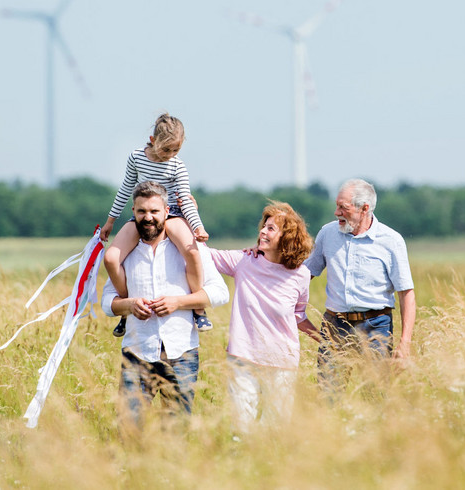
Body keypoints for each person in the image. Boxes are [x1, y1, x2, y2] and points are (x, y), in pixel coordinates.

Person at [100, 181, 229, 430]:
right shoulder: (126, 252)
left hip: (181, 353)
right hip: (136, 353)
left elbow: (219, 292)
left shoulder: (191, 247)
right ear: (134, 213)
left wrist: (178, 303)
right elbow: (107, 301)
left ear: (167, 211)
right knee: (129, 430)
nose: (148, 218)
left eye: (154, 211)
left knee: (176, 432)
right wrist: (129, 305)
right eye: (141, 212)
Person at [209, 201, 319, 433]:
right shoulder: (243, 261)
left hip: (282, 362)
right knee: (242, 427)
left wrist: (324, 338)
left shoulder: (300, 275)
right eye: (264, 226)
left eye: (271, 229)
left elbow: (298, 315)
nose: (262, 231)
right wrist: (185, 215)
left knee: (275, 429)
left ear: (287, 238)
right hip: (243, 358)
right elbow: (201, 254)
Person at [102, 113, 212, 339]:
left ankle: (199, 310)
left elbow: (185, 199)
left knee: (191, 252)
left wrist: (198, 227)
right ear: (152, 140)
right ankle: (126, 308)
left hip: (172, 213)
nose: (169, 156)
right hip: (144, 215)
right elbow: (125, 189)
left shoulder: (177, 166)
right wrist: (110, 221)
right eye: (166, 150)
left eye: (175, 151)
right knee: (111, 258)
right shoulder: (136, 157)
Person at [305, 179, 416, 392]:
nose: (336, 212)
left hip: (376, 326)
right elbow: (305, 273)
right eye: (337, 205)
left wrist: (405, 343)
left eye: (343, 208)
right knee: (328, 394)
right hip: (335, 326)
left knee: (375, 394)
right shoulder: (327, 234)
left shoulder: (391, 240)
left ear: (364, 209)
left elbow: (406, 294)